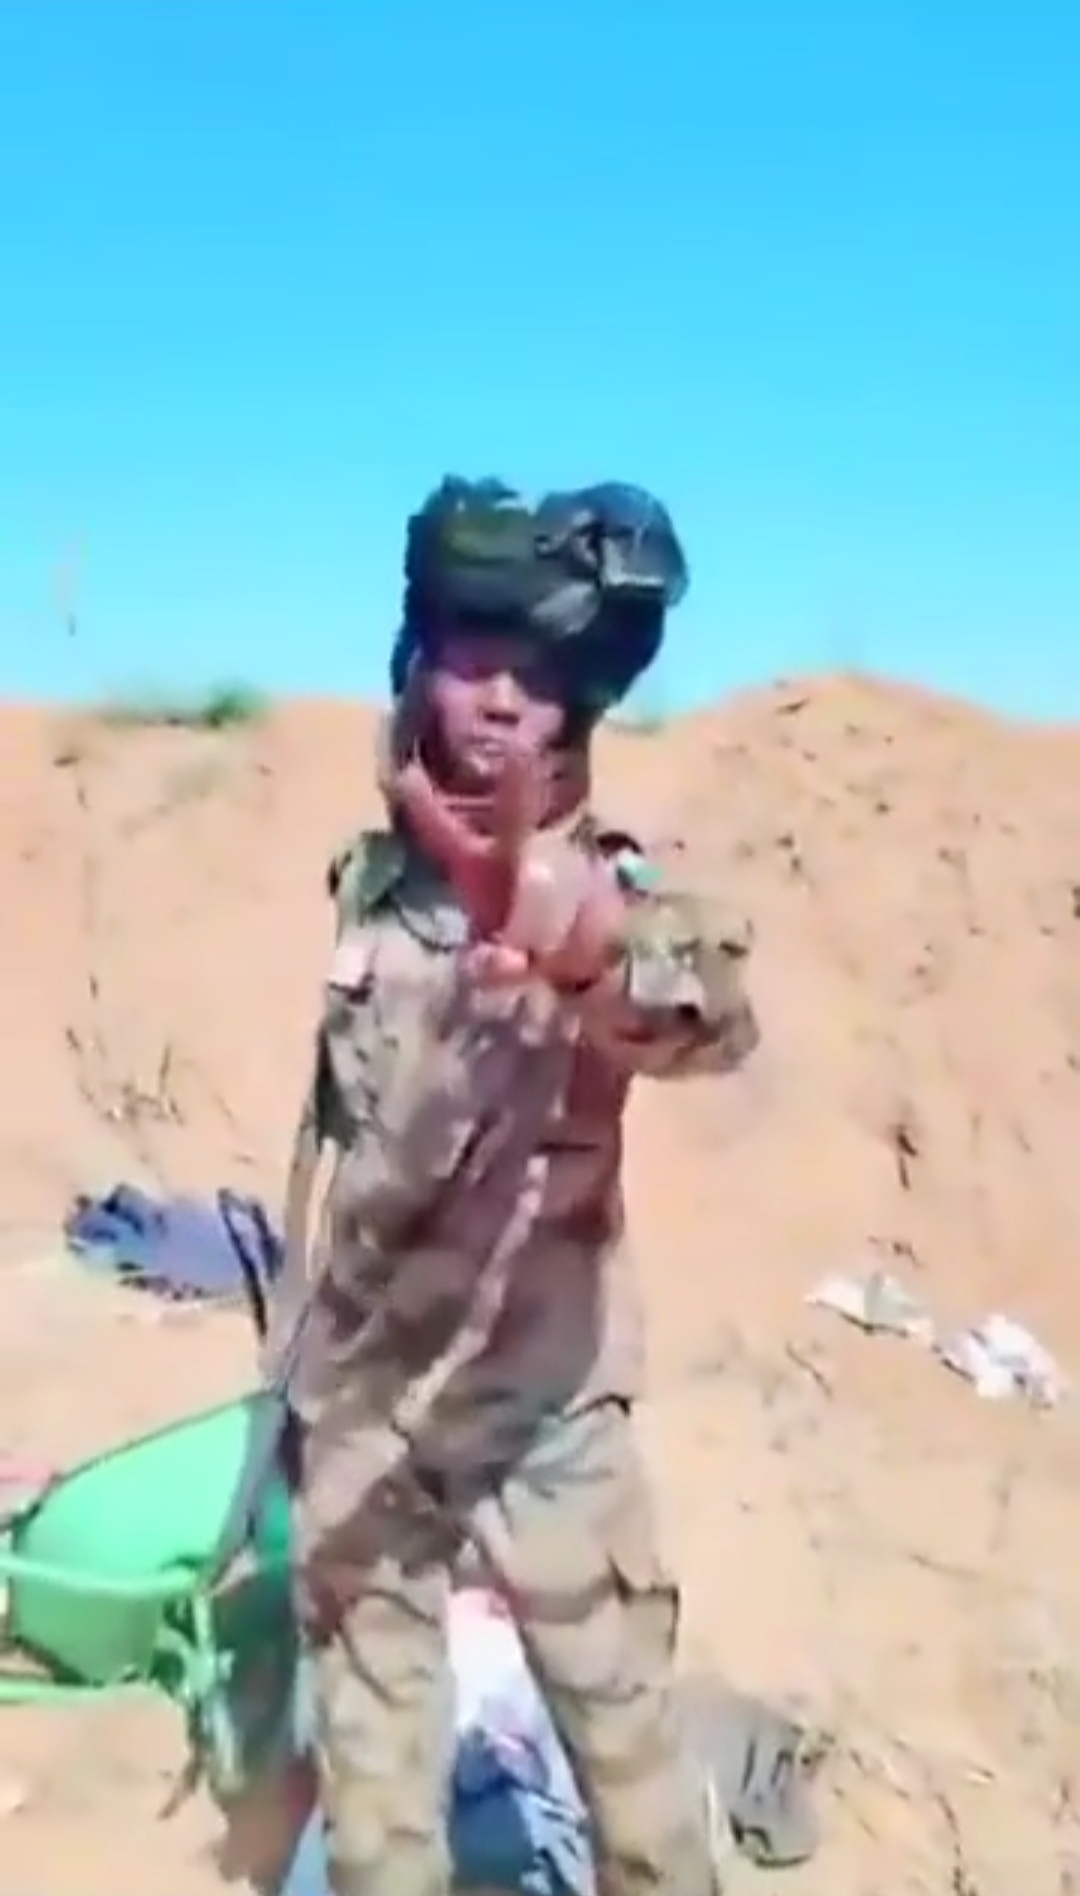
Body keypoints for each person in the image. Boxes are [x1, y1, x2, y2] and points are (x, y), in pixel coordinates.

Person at [262, 478, 760, 1896]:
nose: (499, 700)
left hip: (546, 1419)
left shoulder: (608, 889)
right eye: (474, 657)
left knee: (636, 1780)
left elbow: (705, 1017)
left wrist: (592, 950)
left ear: (579, 709)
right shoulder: (368, 881)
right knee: (376, 1808)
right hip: (367, 1421)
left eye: (538, 678)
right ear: (419, 662)